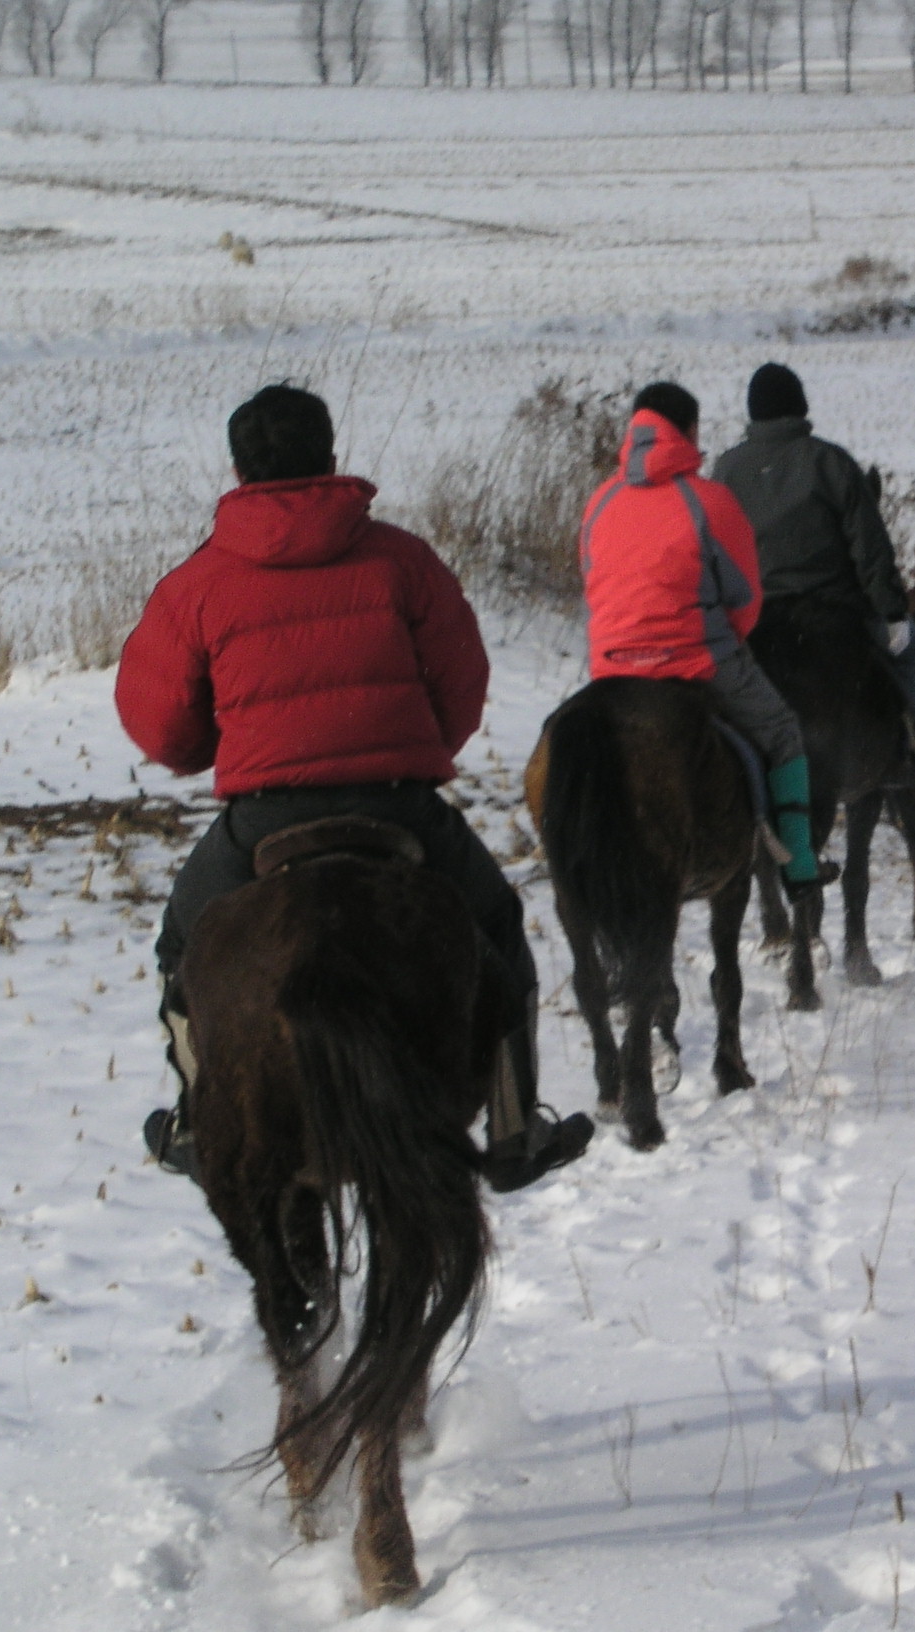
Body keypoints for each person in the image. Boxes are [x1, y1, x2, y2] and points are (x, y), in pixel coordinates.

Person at [117, 383, 593, 1192]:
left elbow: (161, 727)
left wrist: (209, 749)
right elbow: (463, 683)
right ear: (332, 459)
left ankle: (199, 1122)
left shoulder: (196, 583)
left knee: (180, 951)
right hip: (396, 802)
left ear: (236, 471)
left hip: (265, 817)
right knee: (498, 927)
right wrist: (414, 751)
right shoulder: (401, 559)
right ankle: (513, 1131)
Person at [579, 380, 829, 895]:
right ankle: (799, 864)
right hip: (694, 658)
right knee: (782, 730)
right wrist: (724, 642)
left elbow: (591, 579)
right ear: (689, 430)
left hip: (612, 666)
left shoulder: (600, 501)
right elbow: (745, 597)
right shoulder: (710, 501)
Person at [710, 362, 915, 718]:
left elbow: (714, 552)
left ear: (753, 412)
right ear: (801, 406)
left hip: (755, 619)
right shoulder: (831, 462)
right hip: (833, 612)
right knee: (914, 653)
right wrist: (892, 611)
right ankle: (906, 750)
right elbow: (870, 548)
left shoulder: (726, 470)